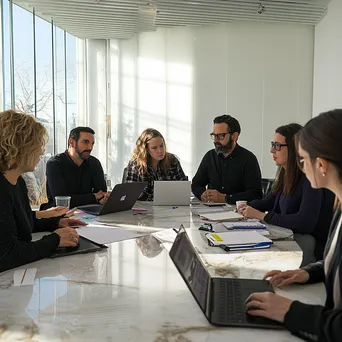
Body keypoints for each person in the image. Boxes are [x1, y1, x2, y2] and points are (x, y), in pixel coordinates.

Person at [245, 109, 342, 341]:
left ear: (321, 165)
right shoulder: (339, 206)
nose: (301, 166)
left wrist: (290, 311)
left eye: (302, 159)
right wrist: (307, 273)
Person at [0, 110, 86, 273]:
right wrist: (55, 240)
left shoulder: (18, 181)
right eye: (37, 144)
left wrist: (56, 223)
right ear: (19, 147)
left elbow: (20, 224)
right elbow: (7, 255)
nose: (42, 150)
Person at [240, 123, 334, 263]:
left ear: (294, 148)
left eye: (277, 146)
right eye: (273, 144)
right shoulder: (286, 174)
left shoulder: (310, 178)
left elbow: (305, 222)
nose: (272, 150)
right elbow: (267, 202)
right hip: (292, 238)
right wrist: (243, 206)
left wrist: (262, 216)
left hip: (312, 247)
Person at [191, 114, 262, 204]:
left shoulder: (248, 159)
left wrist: (225, 198)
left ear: (234, 136)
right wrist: (202, 194)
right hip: (210, 211)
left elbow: (256, 194)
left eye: (220, 136)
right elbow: (196, 184)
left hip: (239, 212)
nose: (215, 140)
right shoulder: (209, 157)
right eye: (214, 135)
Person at [42, 126, 107, 209]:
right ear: (71, 142)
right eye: (85, 142)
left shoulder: (94, 163)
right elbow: (62, 201)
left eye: (92, 143)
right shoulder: (55, 164)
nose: (90, 148)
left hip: (89, 212)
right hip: (59, 215)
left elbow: (101, 194)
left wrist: (102, 198)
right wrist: (93, 197)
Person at [123, 128, 188, 201]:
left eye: (161, 146)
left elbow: (183, 188)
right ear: (146, 150)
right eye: (154, 148)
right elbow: (129, 195)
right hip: (143, 208)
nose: (160, 151)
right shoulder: (136, 164)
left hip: (168, 207)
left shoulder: (172, 160)